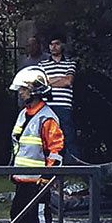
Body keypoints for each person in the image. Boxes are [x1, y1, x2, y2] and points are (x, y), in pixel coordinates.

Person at [6, 67, 63, 223]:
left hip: (39, 180)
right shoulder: (24, 114)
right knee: (19, 214)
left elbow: (55, 151)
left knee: (39, 217)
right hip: (23, 178)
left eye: (23, 89)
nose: (20, 93)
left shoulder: (47, 118)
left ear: (35, 90)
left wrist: (48, 177)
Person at [37, 33, 79, 161]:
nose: (54, 47)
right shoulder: (42, 65)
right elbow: (41, 83)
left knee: (68, 136)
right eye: (52, 44)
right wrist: (58, 80)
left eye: (57, 44)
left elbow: (68, 81)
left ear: (62, 46)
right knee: (47, 137)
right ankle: (50, 163)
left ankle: (73, 166)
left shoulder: (70, 63)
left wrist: (49, 81)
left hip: (64, 106)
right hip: (47, 106)